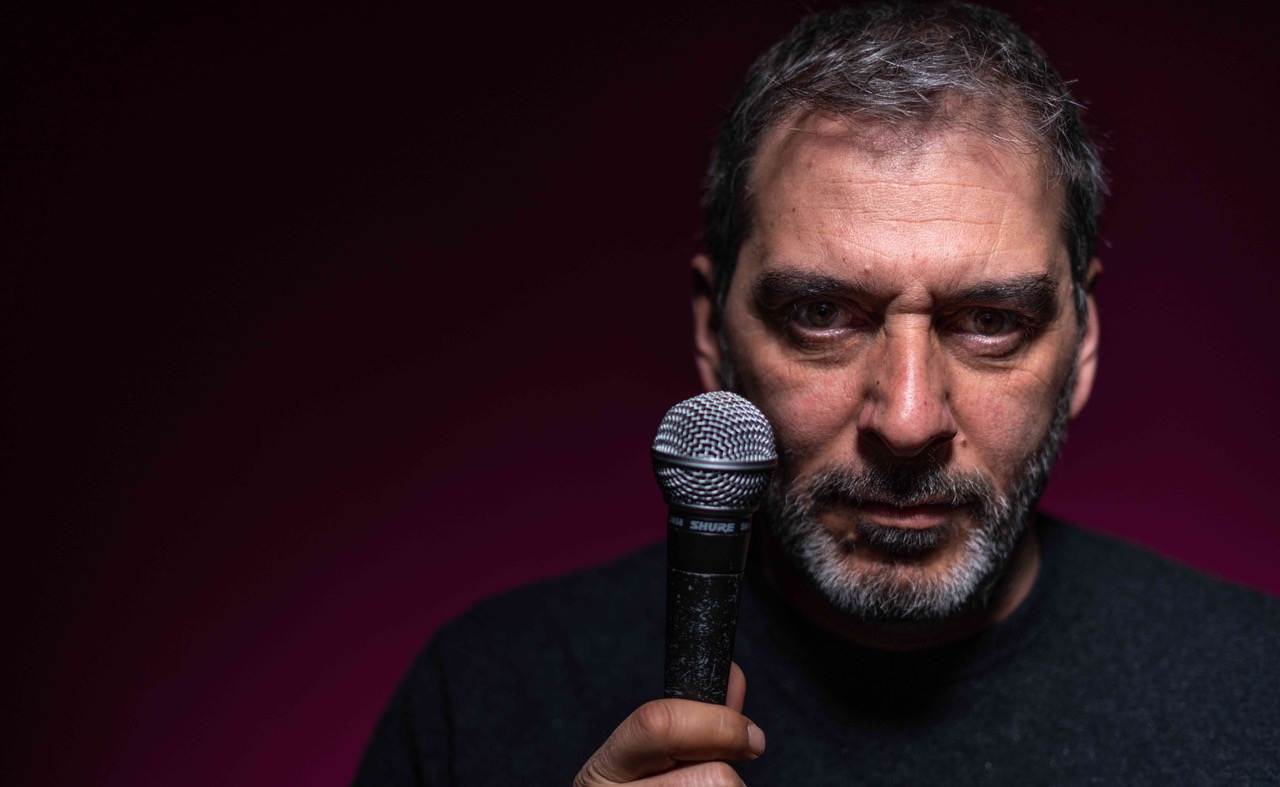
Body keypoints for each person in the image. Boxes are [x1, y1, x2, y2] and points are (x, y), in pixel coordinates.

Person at [355, 3, 1280, 784]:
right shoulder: (477, 701)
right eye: (822, 314)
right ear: (714, 332)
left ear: (1084, 341)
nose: (907, 420)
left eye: (990, 320)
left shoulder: (1260, 696)